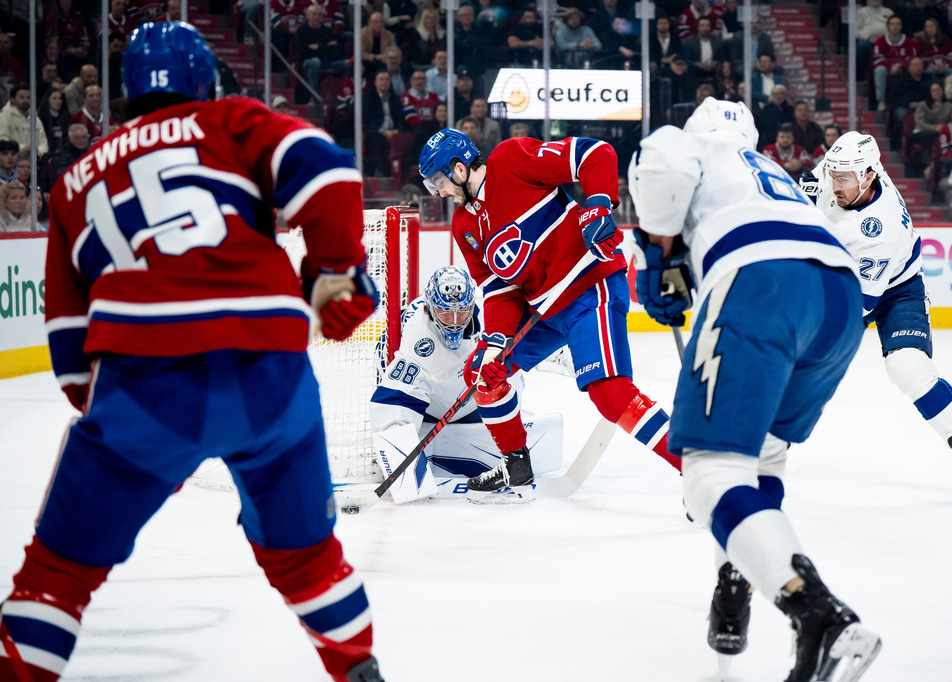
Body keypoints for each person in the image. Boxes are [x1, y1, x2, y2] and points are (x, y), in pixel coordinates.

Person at [0, 22, 385, 682]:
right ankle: (357, 668)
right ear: (204, 80)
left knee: (58, 575)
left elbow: (67, 345)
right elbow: (326, 170)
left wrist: (134, 440)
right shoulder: (230, 119)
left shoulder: (70, 185)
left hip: (145, 386)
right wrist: (334, 272)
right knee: (308, 561)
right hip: (271, 373)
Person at [626, 98, 879, 682]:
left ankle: (820, 618)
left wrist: (656, 254)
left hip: (762, 284)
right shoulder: (767, 172)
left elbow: (662, 157)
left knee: (707, 477)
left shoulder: (699, 147)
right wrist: (678, 272)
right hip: (838, 299)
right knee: (758, 458)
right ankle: (737, 574)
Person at [417, 128, 681, 501]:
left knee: (610, 394)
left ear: (460, 169)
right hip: (543, 311)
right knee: (481, 374)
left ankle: (700, 472)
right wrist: (494, 343)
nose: (438, 192)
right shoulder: (465, 226)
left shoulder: (511, 161)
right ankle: (517, 468)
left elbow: (595, 153)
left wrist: (599, 205)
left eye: (439, 182)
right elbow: (499, 290)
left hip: (590, 288)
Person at [802, 131, 952, 499]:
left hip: (894, 290)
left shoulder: (880, 231)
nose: (834, 183)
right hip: (840, 271)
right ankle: (760, 452)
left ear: (870, 177)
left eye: (843, 179)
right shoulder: (849, 164)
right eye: (835, 174)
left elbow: (857, 305)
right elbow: (814, 181)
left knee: (907, 367)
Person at [370, 266, 562, 480]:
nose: (454, 321)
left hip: (468, 401)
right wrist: (398, 461)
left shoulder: (491, 319)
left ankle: (508, 441)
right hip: (430, 407)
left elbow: (533, 344)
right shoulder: (418, 339)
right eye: (445, 313)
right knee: (387, 357)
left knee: (508, 370)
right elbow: (395, 400)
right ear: (431, 308)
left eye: (461, 312)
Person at [872, 15, 919, 111]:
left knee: (915, 69)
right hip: (887, 68)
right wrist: (891, 66)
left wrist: (900, 65)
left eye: (898, 24)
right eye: (892, 24)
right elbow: (877, 60)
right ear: (888, 26)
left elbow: (913, 59)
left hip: (904, 68)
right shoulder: (880, 41)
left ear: (901, 26)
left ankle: (912, 101)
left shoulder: (909, 41)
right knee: (879, 70)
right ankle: (882, 101)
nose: (895, 26)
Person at [0, 83, 49, 156]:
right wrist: (23, 148)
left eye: (28, 97)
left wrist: (39, 152)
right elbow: (2, 140)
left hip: (35, 158)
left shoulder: (36, 119)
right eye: (22, 97)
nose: (26, 100)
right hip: (13, 157)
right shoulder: (4, 117)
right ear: (13, 100)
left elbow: (43, 142)